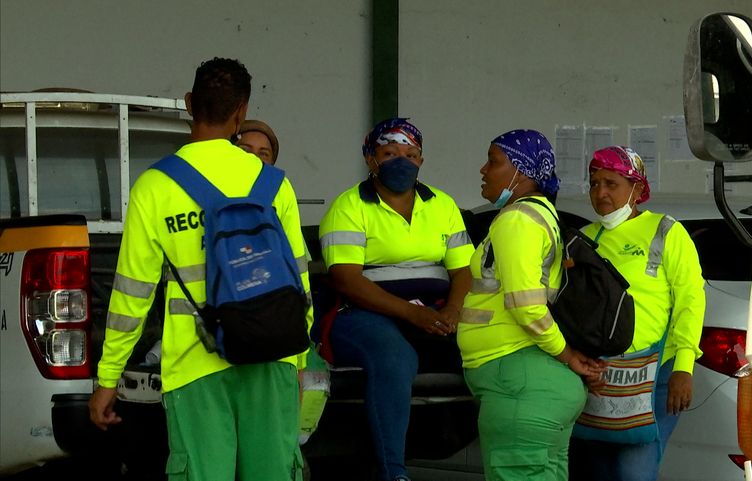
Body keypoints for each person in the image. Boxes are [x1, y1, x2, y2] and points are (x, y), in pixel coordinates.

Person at [88, 57, 312, 481]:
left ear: (189, 103)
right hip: (272, 359)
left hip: (195, 366)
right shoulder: (274, 183)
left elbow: (131, 296)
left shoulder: (155, 187)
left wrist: (107, 379)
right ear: (241, 112)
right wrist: (298, 362)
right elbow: (299, 282)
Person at [317, 117, 474, 481]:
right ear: (371, 159)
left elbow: (464, 271)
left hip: (434, 310)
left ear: (421, 160)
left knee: (488, 345)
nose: (401, 161)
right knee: (394, 357)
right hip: (363, 311)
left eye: (411, 154)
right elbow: (346, 279)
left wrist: (452, 310)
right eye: (389, 153)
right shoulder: (349, 206)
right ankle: (394, 472)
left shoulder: (442, 204)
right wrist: (409, 314)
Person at [457, 129, 607, 481]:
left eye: (494, 162)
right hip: (535, 385)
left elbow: (526, 306)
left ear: (521, 173)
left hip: (521, 385)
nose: (483, 169)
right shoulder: (543, 217)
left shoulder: (518, 220)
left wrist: (566, 354)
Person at [568, 145, 706, 481]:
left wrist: (684, 367)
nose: (600, 193)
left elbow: (690, 299)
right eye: (594, 183)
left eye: (611, 184)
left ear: (637, 188)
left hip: (657, 375)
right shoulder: (584, 240)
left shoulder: (666, 231)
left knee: (634, 471)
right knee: (596, 471)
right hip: (600, 376)